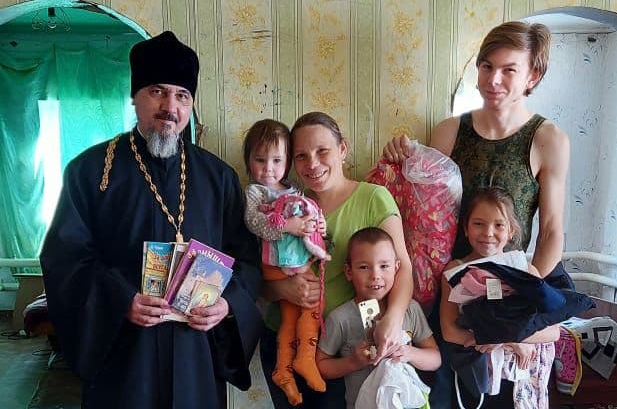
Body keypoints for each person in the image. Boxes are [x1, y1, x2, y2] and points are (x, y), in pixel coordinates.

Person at [39, 31, 263, 409]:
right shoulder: (90, 172)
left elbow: (247, 262)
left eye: (182, 95)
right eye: (157, 91)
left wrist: (226, 304)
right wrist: (121, 299)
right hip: (126, 359)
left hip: (194, 355)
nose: (170, 107)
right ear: (135, 96)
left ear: (191, 105)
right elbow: (65, 261)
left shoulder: (218, 178)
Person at [383, 21, 572, 407]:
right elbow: (424, 216)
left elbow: (552, 230)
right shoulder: (449, 131)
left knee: (504, 396)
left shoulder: (548, 138)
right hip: (452, 289)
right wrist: (399, 158)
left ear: (533, 76)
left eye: (508, 70)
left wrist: (523, 293)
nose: (494, 79)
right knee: (450, 395)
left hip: (513, 286)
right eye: (487, 66)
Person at [260, 111, 414, 408]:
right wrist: (283, 289)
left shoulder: (373, 198)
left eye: (322, 151)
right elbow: (262, 279)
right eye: (301, 156)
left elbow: (403, 267)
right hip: (285, 346)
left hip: (344, 350)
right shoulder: (287, 207)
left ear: (342, 149)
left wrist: (393, 320)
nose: (312, 164)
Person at [440, 187, 559, 408]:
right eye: (478, 223)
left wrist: (510, 339)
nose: (488, 233)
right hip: (476, 375)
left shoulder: (525, 270)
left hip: (518, 379)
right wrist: (501, 340)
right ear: (465, 228)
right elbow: (449, 331)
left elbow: (553, 331)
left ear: (511, 230)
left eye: (499, 225)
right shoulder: (455, 271)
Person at [242, 119, 329, 405]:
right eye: (260, 160)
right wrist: (287, 226)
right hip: (275, 267)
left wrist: (319, 226)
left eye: (277, 160)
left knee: (299, 316)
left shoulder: (295, 191)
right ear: (248, 161)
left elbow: (311, 214)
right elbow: (254, 222)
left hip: (299, 264)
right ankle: (298, 362)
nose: (268, 168)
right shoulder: (255, 192)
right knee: (299, 312)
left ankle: (288, 368)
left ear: (288, 162)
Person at [317, 227, 440, 409]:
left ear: (396, 268)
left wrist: (408, 353)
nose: (375, 275)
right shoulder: (340, 319)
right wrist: (353, 362)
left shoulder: (410, 309)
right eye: (364, 267)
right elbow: (321, 366)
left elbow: (435, 359)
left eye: (384, 266)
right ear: (349, 272)